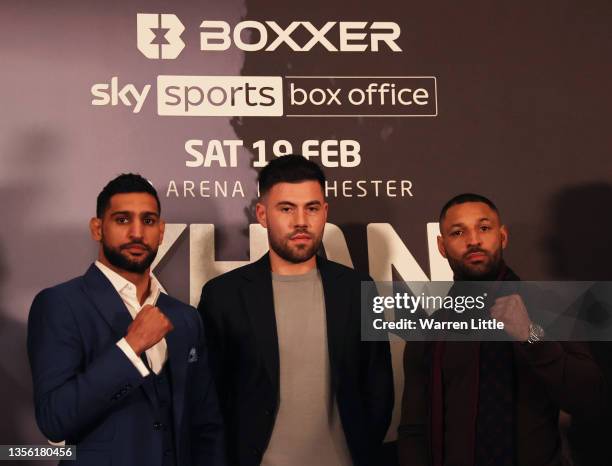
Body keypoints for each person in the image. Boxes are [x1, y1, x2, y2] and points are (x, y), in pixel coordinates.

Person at [197, 154, 394, 466]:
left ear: (325, 212)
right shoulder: (224, 297)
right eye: (286, 208)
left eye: (312, 208)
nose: (301, 221)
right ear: (262, 214)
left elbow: (379, 389)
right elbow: (209, 399)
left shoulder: (358, 289)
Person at [27, 174, 224, 466]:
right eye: (122, 220)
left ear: (161, 231)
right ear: (97, 228)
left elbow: (206, 425)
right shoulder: (60, 304)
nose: (137, 233)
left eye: (148, 221)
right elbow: (55, 420)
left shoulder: (185, 317)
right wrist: (130, 348)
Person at [397, 193, 605, 466]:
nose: (473, 240)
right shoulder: (429, 330)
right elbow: (414, 428)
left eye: (484, 228)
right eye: (458, 232)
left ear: (503, 236)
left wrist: (531, 336)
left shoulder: (551, 308)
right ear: (441, 246)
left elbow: (589, 398)